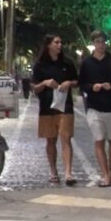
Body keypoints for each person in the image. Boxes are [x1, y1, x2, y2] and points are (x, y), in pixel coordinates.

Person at [78, 30, 111, 187]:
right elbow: (82, 84)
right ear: (93, 43)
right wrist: (93, 87)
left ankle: (110, 171)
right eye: (98, 41)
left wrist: (110, 85)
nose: (101, 44)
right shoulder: (86, 63)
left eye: (103, 41)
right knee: (99, 140)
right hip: (94, 107)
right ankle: (105, 174)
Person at [31, 34, 78, 186]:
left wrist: (68, 83)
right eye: (56, 42)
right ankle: (53, 171)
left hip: (65, 106)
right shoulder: (39, 65)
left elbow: (77, 81)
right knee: (50, 140)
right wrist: (44, 83)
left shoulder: (67, 63)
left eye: (60, 42)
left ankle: (68, 173)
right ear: (48, 45)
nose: (60, 45)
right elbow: (34, 88)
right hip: (46, 108)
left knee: (66, 139)